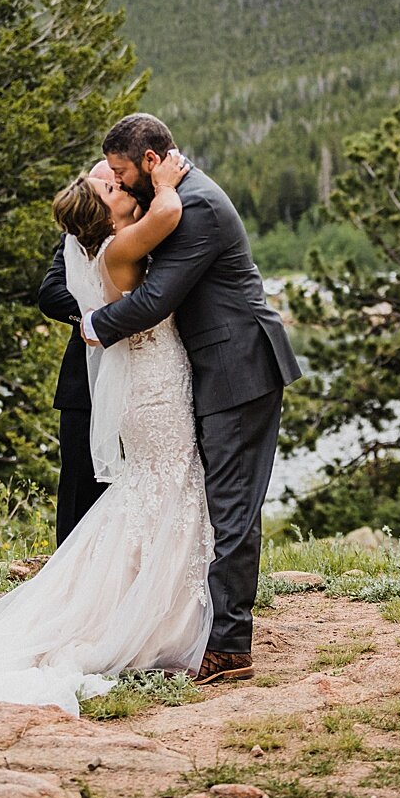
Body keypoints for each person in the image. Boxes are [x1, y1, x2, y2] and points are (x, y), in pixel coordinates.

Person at [0, 148, 211, 715]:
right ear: (104, 215)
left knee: (156, 492)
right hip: (151, 390)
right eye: (109, 188)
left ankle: (145, 603)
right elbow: (169, 212)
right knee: (166, 485)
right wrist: (168, 178)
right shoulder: (123, 245)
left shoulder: (113, 243)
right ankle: (152, 618)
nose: (120, 186)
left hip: (153, 380)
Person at [81, 113, 302, 685]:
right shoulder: (172, 197)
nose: (120, 182)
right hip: (214, 367)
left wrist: (94, 326)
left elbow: (155, 299)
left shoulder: (194, 205)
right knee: (218, 498)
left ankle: (231, 647)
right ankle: (212, 629)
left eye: (124, 171)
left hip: (239, 368)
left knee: (230, 504)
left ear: (150, 162)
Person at [37, 164, 116, 544]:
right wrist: (95, 317)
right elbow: (50, 294)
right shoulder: (75, 239)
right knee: (77, 487)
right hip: (82, 388)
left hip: (140, 384)